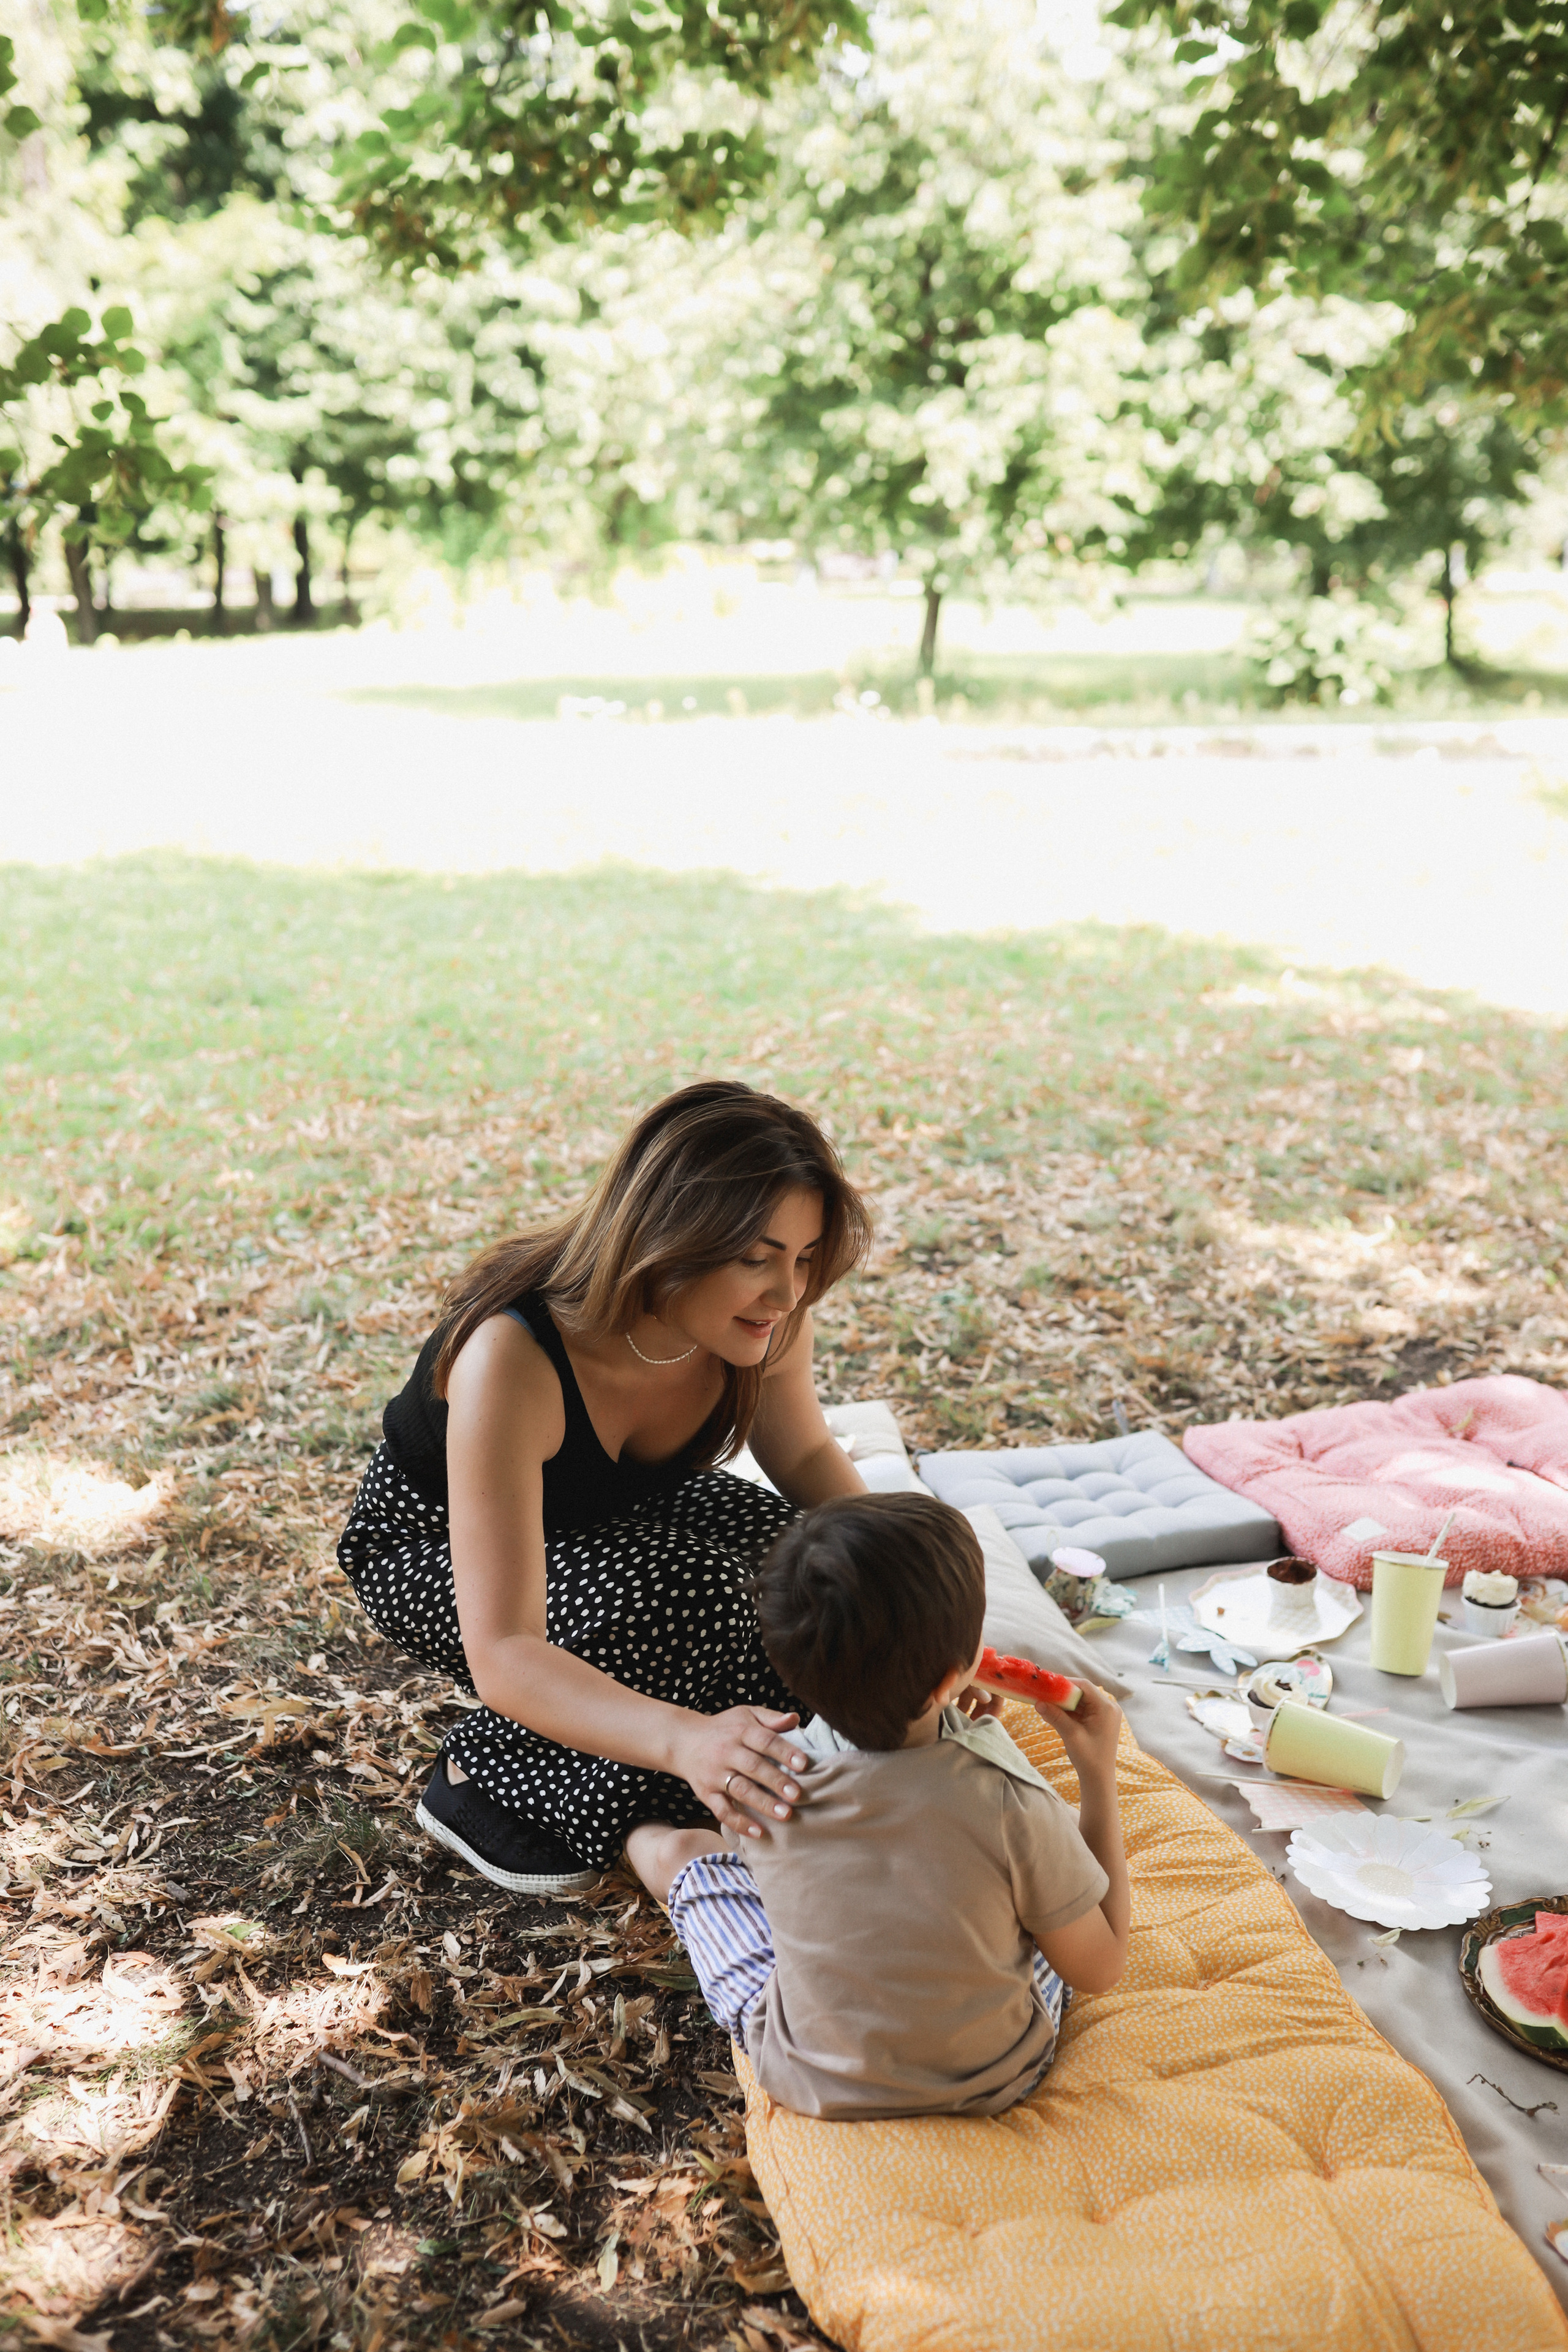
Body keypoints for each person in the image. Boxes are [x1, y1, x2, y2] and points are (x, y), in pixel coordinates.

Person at [337, 1080, 874, 1898]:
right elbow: (507, 1650)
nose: (788, 1293)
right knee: (686, 1602)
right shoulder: (514, 1355)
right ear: (672, 1237)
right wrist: (684, 1742)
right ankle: (486, 1771)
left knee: (811, 1572)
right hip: (433, 1544)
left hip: (617, 1513)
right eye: (755, 1260)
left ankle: (646, 1750)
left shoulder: (768, 1320)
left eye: (803, 1260)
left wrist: (916, 1577)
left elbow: (802, 1450)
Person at [626, 1493, 1131, 2120]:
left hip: (808, 2070)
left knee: (683, 1851)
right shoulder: (1012, 1799)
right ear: (951, 1677)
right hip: (995, 2073)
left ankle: (636, 1839)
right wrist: (1096, 1770)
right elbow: (1101, 1967)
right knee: (1042, 1912)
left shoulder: (764, 1776)